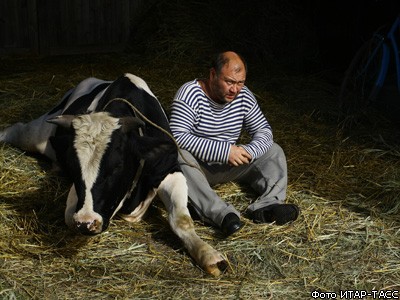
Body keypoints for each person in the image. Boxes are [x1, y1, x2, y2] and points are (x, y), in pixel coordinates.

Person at [169, 51, 299, 237]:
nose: (235, 89)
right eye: (229, 82)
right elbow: (177, 136)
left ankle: (267, 207)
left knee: (273, 150)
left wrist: (248, 151)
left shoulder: (243, 95)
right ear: (213, 74)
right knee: (177, 155)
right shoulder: (190, 94)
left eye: (240, 83)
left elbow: (264, 131)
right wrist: (224, 151)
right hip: (197, 169)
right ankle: (222, 214)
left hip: (231, 164)